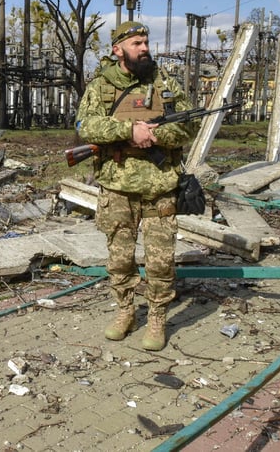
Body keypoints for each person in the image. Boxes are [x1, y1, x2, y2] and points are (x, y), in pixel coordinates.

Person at [74, 20, 198, 351]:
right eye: (136, 43)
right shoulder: (101, 85)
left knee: (160, 261)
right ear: (118, 50)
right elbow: (86, 126)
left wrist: (155, 134)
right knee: (120, 259)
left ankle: (157, 318)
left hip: (160, 187)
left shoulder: (165, 82)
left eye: (145, 42)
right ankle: (125, 312)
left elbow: (189, 126)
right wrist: (130, 132)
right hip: (117, 188)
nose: (144, 48)